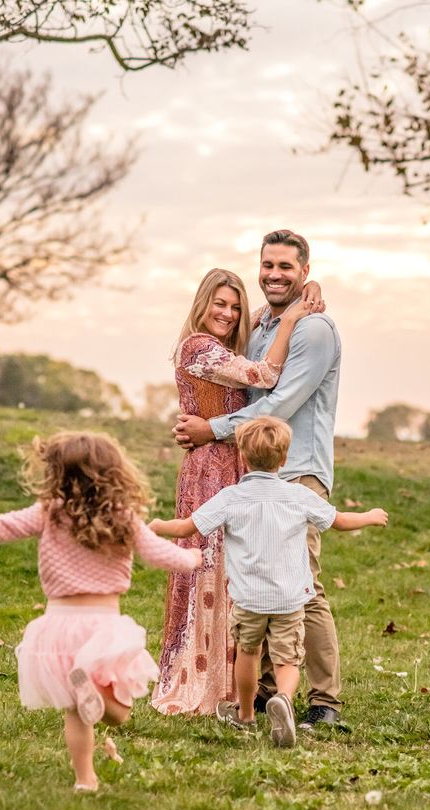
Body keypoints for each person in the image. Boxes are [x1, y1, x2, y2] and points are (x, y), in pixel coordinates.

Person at [0, 431, 200, 792]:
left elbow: (1, 525)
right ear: (113, 471)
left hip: (58, 624)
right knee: (119, 712)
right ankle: (97, 696)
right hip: (103, 625)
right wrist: (191, 558)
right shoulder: (122, 517)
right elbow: (159, 554)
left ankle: (85, 779)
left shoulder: (50, 512)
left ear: (58, 474)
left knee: (75, 712)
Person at [174, 230, 344, 731]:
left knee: (302, 588)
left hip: (297, 473)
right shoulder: (262, 325)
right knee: (257, 584)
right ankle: (268, 695)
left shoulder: (314, 331)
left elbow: (278, 404)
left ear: (304, 272)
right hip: (255, 472)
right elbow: (238, 374)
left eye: (286, 268)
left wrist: (213, 429)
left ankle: (324, 704)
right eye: (267, 264)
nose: (274, 274)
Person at [151, 416, 389, 747]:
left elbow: (188, 527)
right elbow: (341, 521)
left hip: (248, 599)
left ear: (243, 458)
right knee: (287, 659)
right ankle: (285, 702)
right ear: (285, 459)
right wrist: (371, 516)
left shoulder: (231, 497)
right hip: (291, 598)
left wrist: (159, 525)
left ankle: (246, 715)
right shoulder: (298, 495)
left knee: (248, 654)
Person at [151, 267, 319, 716]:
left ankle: (232, 684)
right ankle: (201, 681)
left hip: (233, 461)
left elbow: (267, 309)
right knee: (210, 567)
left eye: (234, 306)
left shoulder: (221, 345)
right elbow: (264, 374)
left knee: (233, 570)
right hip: (211, 467)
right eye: (218, 304)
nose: (227, 313)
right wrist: (289, 322)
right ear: (201, 304)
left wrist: (308, 290)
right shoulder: (199, 347)